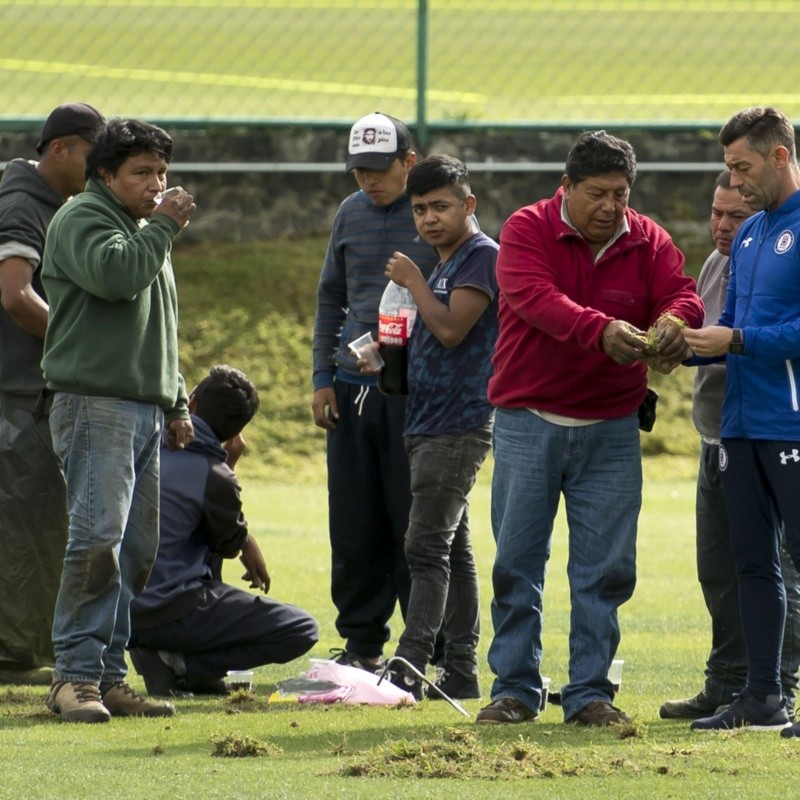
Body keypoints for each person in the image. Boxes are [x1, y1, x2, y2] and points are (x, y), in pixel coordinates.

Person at [476, 130, 703, 727]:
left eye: (621, 195)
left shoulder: (648, 239)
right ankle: (514, 690)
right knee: (517, 563)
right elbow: (534, 296)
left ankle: (590, 695)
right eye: (597, 194)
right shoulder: (526, 229)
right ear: (566, 188)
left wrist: (676, 322)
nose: (610, 207)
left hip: (611, 428)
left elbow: (682, 291)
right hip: (528, 421)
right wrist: (600, 330)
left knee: (605, 570)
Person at [41, 118, 197, 723]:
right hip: (93, 403)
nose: (156, 184)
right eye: (141, 173)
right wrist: (162, 225)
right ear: (105, 174)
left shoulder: (142, 229)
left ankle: (107, 677)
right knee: (98, 539)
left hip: (142, 407)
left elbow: (161, 323)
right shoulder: (84, 218)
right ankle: (72, 677)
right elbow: (115, 278)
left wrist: (177, 401)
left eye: (161, 172)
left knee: (136, 549)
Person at [660, 171, 800, 721]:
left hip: (790, 423)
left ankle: (776, 688)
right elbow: (727, 326)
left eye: (742, 167)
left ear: (778, 156)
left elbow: (742, 335)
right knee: (752, 565)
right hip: (737, 426)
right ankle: (763, 698)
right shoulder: (747, 238)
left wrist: (737, 340)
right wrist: (676, 349)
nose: (736, 182)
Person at [364, 155, 498, 701]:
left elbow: (449, 329)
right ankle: (461, 671)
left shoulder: (480, 258)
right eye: (419, 209)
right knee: (452, 549)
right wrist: (382, 354)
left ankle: (411, 661)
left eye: (441, 206)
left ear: (468, 205)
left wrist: (415, 282)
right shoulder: (443, 265)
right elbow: (431, 339)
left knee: (423, 545)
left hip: (459, 424)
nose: (429, 219)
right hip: (426, 421)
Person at [311, 112, 437, 672]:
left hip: (416, 392)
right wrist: (321, 379)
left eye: (380, 170)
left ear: (409, 163)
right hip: (351, 385)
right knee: (354, 521)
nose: (369, 181)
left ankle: (421, 648)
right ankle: (361, 645)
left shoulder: (435, 216)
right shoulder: (349, 212)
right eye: (359, 170)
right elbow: (329, 299)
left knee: (415, 522)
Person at [128, 365, 319, 697]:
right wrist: (229, 466)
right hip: (171, 608)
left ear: (192, 402)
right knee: (302, 628)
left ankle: (166, 658)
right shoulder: (214, 473)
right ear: (235, 434)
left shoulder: (142, 440)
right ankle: (186, 665)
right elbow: (227, 543)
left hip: (121, 607)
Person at [0, 102, 106, 685]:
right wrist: (79, 346)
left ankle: (23, 648)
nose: (100, 168)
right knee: (26, 521)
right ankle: (16, 657)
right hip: (18, 391)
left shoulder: (44, 202)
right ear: (60, 148)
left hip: (25, 388)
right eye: (94, 153)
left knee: (37, 520)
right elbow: (15, 295)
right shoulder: (22, 205)